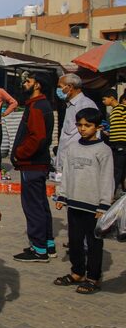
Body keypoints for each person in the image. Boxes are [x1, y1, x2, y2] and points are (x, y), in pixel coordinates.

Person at [54, 107, 114, 295]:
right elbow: (67, 174)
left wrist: (104, 205)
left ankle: (93, 277)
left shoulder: (104, 150)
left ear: (96, 127)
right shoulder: (72, 148)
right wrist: (62, 195)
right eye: (79, 125)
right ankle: (77, 272)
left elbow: (107, 178)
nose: (82, 129)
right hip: (74, 202)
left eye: (87, 125)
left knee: (94, 243)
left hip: (94, 206)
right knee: (75, 241)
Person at [10, 72, 56, 262]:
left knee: (33, 207)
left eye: (28, 82)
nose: (24, 84)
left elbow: (37, 138)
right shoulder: (39, 105)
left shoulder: (38, 107)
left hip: (32, 164)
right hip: (37, 163)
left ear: (37, 85)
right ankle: (47, 244)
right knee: (40, 204)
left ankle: (39, 249)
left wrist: (19, 153)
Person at [56, 74, 97, 173]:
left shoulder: (85, 105)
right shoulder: (70, 105)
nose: (58, 90)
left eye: (60, 87)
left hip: (78, 165)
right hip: (67, 163)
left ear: (69, 87)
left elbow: (92, 135)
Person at [102, 89, 126, 198]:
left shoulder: (122, 109)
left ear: (111, 98)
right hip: (114, 144)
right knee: (116, 169)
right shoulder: (113, 112)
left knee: (117, 170)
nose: (103, 101)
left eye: (104, 99)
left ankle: (111, 194)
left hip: (122, 144)